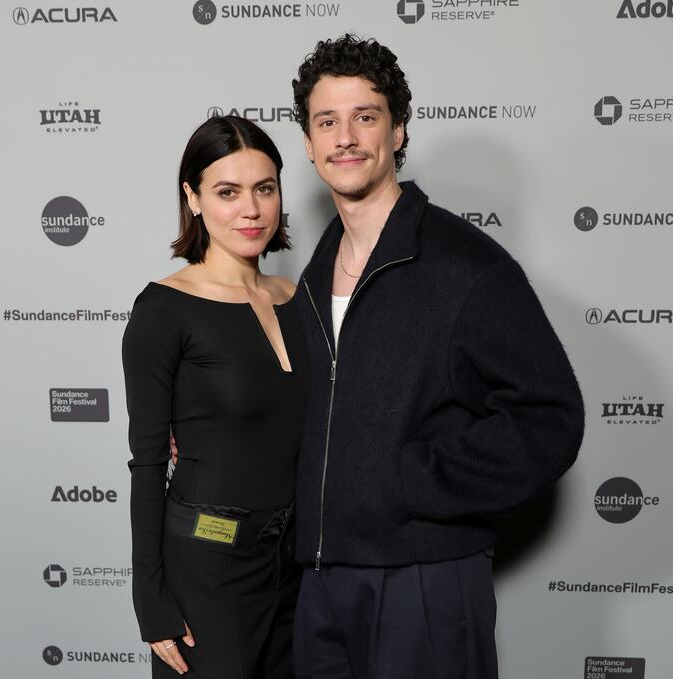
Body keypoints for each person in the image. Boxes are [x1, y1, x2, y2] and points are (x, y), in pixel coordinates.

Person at [288, 35, 585, 678]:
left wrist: (411, 481)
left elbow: (548, 416)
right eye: (326, 122)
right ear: (308, 145)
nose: (345, 137)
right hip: (319, 582)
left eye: (365, 117)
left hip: (421, 577)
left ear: (397, 131)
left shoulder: (464, 265)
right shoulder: (314, 274)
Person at [122, 115, 308, 678]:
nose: (250, 210)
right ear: (193, 198)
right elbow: (149, 464)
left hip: (297, 564)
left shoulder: (299, 299)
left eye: (264, 188)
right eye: (227, 192)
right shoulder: (164, 309)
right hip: (207, 563)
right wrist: (149, 599)